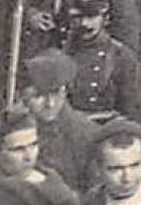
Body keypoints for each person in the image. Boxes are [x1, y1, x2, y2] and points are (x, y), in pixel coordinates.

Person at [60, 0, 141, 123]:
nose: (84, 23)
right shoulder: (62, 54)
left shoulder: (120, 56)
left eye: (91, 16)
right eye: (78, 17)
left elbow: (135, 110)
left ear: (105, 18)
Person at [18, 49, 99, 192]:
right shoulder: (13, 129)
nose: (50, 104)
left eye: (57, 93)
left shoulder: (87, 135)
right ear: (21, 97)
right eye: (39, 96)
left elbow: (95, 198)